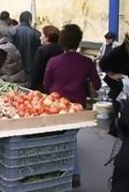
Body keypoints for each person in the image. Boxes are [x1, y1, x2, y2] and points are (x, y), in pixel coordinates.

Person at [43, 24, 101, 188]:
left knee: (59, 137)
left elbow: (46, 86)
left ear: (62, 42)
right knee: (70, 137)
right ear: (79, 41)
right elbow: (96, 85)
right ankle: (72, 173)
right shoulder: (86, 62)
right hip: (77, 108)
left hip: (56, 105)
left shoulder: (53, 62)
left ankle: (60, 172)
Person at [99, 33, 129, 136]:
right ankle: (115, 132)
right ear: (127, 43)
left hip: (128, 84)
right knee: (120, 109)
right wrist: (111, 75)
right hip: (118, 85)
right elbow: (102, 63)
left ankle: (114, 131)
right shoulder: (117, 52)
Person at [12, 11, 41, 86]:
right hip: (30, 66)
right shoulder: (36, 33)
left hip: (14, 66)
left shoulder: (12, 31)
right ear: (29, 20)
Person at [31, 25, 63, 91]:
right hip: (57, 86)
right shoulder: (61, 49)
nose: (41, 38)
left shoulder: (42, 50)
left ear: (47, 38)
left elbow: (37, 71)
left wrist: (32, 87)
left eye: (43, 36)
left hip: (42, 86)